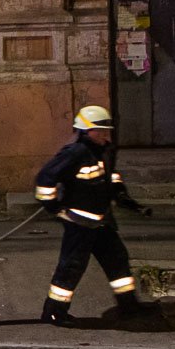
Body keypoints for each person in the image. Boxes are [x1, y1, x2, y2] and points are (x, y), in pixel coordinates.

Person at [34, 105, 157, 327]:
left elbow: (111, 175)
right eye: (99, 131)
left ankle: (129, 306)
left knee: (117, 261)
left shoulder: (104, 150)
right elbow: (45, 178)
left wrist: (121, 194)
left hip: (101, 221)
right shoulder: (75, 152)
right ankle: (54, 313)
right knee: (71, 267)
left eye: (106, 131)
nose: (104, 135)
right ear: (85, 131)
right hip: (79, 223)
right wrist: (55, 208)